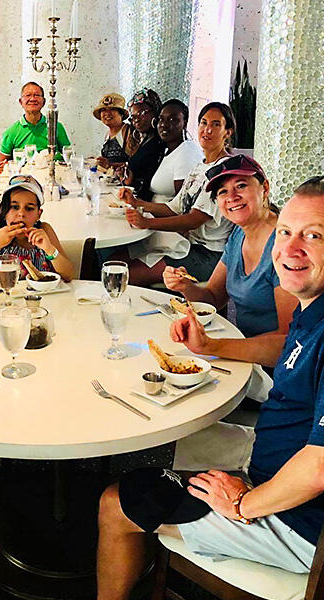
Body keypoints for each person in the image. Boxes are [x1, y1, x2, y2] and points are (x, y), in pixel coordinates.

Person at [96, 177, 324, 600]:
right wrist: (210, 346)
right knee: (177, 437)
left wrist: (242, 504)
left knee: (116, 501)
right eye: (287, 232)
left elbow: (318, 468)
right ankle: (146, 552)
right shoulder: (313, 310)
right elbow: (286, 355)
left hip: (299, 523)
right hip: (272, 457)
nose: (291, 248)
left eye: (314, 236)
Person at [163, 154, 297, 340]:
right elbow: (213, 298)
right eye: (222, 192)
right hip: (244, 346)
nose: (231, 197)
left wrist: (215, 347)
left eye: (241, 186)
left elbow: (287, 339)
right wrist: (185, 286)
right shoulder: (238, 235)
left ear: (264, 188)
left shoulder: (286, 247)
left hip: (276, 364)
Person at [115, 102, 236, 286]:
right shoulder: (200, 167)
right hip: (184, 244)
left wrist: (147, 222)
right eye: (203, 123)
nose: (207, 130)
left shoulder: (223, 171)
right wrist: (137, 202)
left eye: (216, 124)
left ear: (228, 132)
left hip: (206, 255)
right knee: (115, 260)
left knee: (121, 275)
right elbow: (174, 208)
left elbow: (194, 219)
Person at [0, 174, 74, 283]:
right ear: (4, 211)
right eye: (14, 207)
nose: (21, 214)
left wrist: (49, 249)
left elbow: (68, 275)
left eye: (29, 208)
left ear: (38, 215)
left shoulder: (44, 231)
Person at [0, 82, 71, 160]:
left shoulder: (56, 127)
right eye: (28, 95)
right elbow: (2, 164)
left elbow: (68, 156)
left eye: (37, 95)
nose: (32, 99)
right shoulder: (11, 132)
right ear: (21, 102)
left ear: (44, 102)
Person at [149, 99, 203, 203]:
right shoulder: (168, 150)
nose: (164, 125)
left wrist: (140, 205)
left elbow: (181, 207)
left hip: (162, 217)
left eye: (172, 120)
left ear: (185, 123)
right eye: (161, 119)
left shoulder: (186, 153)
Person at [121, 88, 164, 201]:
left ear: (155, 111)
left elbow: (149, 183)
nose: (136, 120)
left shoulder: (160, 143)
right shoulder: (147, 139)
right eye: (133, 116)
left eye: (141, 113)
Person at [93, 93, 139, 169]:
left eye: (112, 109)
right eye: (103, 110)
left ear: (121, 114)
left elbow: (137, 164)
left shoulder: (129, 132)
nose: (107, 113)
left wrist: (109, 165)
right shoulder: (107, 135)